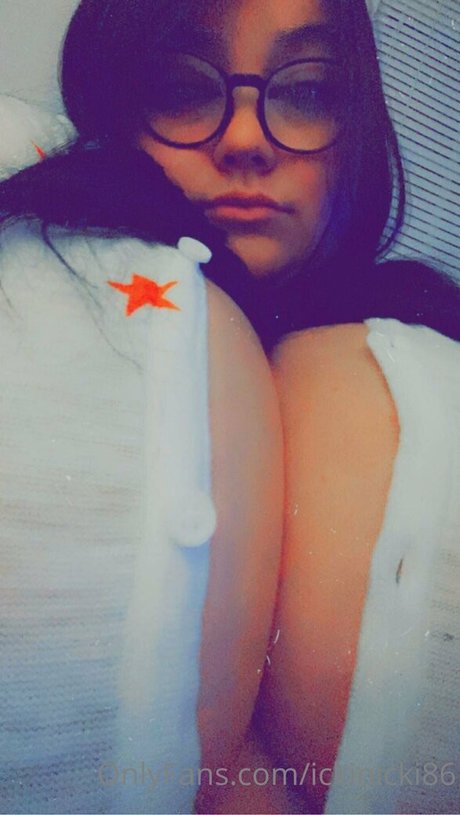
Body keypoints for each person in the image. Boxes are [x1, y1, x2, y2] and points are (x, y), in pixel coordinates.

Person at [0, 0, 458, 813]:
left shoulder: (425, 339)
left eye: (307, 91)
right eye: (183, 87)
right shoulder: (42, 293)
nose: (246, 139)